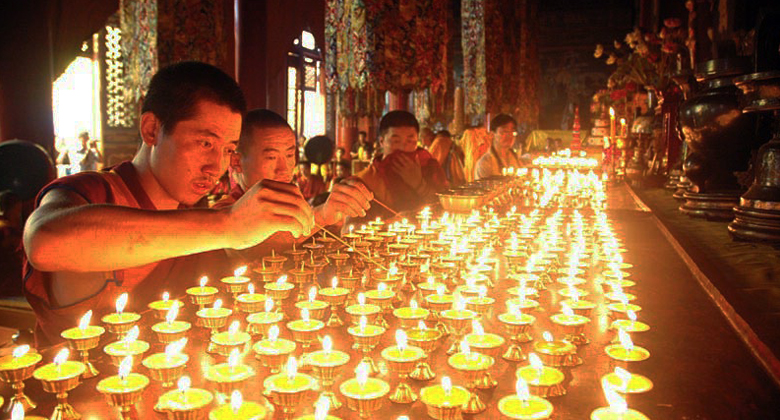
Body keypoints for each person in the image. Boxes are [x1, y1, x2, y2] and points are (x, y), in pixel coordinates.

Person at [23, 62, 315, 345]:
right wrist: (227, 225)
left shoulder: (189, 213)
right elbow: (46, 242)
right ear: (151, 129)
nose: (216, 166)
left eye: (228, 149)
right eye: (205, 144)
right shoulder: (93, 193)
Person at [216, 109, 371, 259]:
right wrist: (322, 215)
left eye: (290, 155)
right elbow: (254, 244)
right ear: (236, 162)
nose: (284, 169)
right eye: (271, 157)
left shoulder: (292, 204)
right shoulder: (224, 212)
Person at [356, 111, 447, 218]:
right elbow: (351, 225)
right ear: (382, 141)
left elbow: (444, 209)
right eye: (396, 141)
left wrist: (419, 184)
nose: (403, 148)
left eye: (410, 141)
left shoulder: (429, 167)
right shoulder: (366, 179)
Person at [475, 114, 524, 179]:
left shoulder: (515, 159)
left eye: (512, 132)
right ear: (492, 135)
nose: (509, 135)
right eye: (504, 131)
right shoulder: (485, 163)